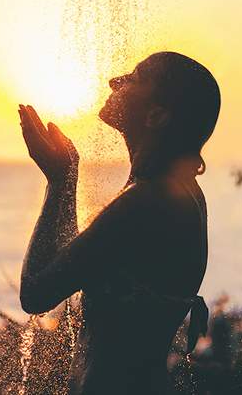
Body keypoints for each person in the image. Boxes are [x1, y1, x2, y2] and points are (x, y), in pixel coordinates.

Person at [18, 51, 221, 394]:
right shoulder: (179, 193)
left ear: (156, 115)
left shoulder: (146, 201)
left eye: (135, 78)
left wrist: (58, 184)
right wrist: (66, 177)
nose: (116, 81)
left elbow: (36, 292)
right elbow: (82, 262)